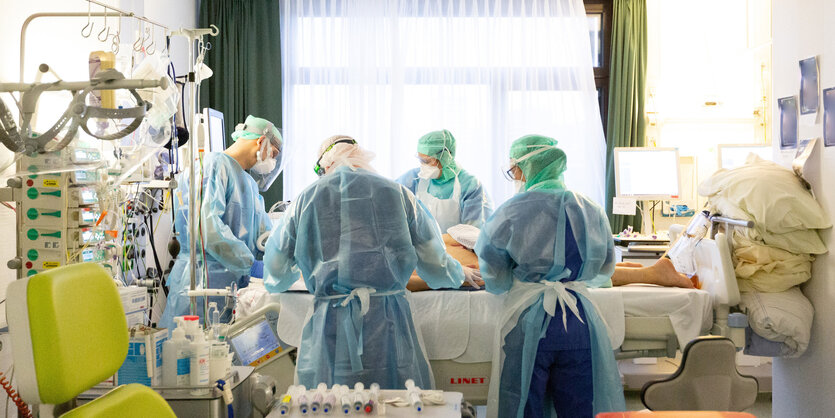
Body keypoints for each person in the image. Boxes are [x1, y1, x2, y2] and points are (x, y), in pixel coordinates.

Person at [263, 135, 481, 389]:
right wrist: (458, 273)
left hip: (330, 322)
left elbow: (276, 268)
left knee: (330, 401)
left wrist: (292, 278)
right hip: (388, 320)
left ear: (326, 164)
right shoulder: (397, 193)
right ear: (360, 156)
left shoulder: (307, 198)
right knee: (395, 400)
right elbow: (434, 261)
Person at [476, 135, 625, 418]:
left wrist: (509, 282)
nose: (515, 176)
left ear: (529, 167)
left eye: (515, 169)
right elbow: (605, 267)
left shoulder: (512, 210)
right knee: (580, 408)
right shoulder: (589, 208)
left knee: (522, 405)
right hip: (579, 321)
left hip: (530, 319)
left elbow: (493, 271)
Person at [160, 116, 283, 330]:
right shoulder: (213, 165)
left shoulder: (249, 185)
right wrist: (250, 264)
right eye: (272, 154)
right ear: (261, 141)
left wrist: (281, 257)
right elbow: (207, 228)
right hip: (201, 283)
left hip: (231, 288)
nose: (271, 162)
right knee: (187, 353)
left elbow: (265, 235)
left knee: (221, 357)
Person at [396, 129, 492, 230]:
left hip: (456, 245)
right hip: (421, 245)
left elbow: (472, 233)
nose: (423, 166)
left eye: (427, 161)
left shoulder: (469, 185)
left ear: (445, 157)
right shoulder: (413, 179)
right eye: (421, 160)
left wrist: (440, 242)